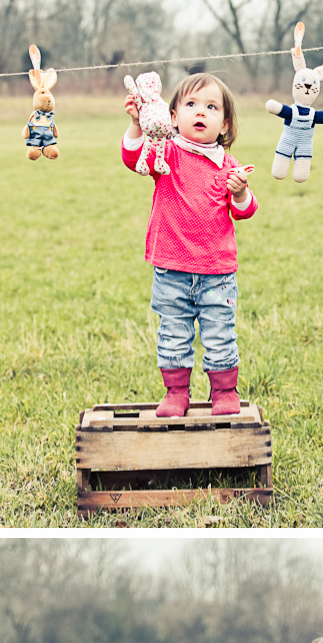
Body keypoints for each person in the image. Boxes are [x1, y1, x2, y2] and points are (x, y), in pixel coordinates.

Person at [122, 74, 258, 417]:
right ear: (172, 117)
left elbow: (244, 211)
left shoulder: (228, 165)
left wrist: (240, 192)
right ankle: (176, 392)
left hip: (217, 272)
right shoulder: (166, 152)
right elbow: (132, 157)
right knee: (173, 334)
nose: (201, 113)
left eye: (211, 107)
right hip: (171, 268)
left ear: (224, 124)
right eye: (191, 105)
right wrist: (137, 126)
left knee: (220, 334)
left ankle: (225, 392)